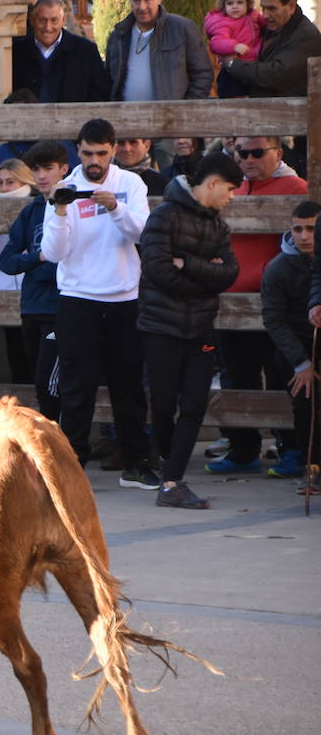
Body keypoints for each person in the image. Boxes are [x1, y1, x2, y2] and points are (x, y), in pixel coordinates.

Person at [40, 118, 157, 489]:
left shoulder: (130, 183)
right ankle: (73, 469)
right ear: (78, 150)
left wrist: (115, 208)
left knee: (129, 389)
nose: (94, 161)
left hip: (125, 299)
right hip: (78, 300)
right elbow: (53, 253)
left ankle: (136, 463)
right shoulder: (65, 188)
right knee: (77, 389)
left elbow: (145, 233)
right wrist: (60, 211)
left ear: (113, 150)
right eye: (88, 153)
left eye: (102, 153)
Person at [137, 152, 243, 509]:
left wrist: (189, 264)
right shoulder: (163, 216)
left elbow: (229, 274)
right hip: (160, 328)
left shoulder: (219, 227)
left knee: (195, 404)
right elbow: (158, 271)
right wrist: (205, 279)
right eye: (230, 189)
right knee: (163, 405)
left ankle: (172, 482)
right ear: (212, 183)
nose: (231, 197)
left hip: (201, 332)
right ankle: (169, 463)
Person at [209, 135, 308, 474]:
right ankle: (242, 449)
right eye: (242, 152)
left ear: (277, 153)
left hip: (276, 305)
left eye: (257, 152)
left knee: (282, 376)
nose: (248, 159)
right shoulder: (231, 187)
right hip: (229, 302)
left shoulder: (297, 188)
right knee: (236, 376)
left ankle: (292, 448)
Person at [0, 140, 68, 421]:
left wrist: (38, 261)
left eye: (48, 168)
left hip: (61, 309)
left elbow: (67, 262)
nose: (41, 176)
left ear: (64, 170)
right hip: (31, 307)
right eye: (36, 169)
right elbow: (7, 261)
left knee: (49, 383)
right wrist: (39, 257)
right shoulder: (30, 212)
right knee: (38, 382)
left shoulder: (74, 208)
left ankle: (56, 438)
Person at [261, 200, 320, 490]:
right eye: (298, 229)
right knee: (306, 406)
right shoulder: (278, 268)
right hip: (296, 347)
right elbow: (274, 320)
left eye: (311, 229)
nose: (304, 236)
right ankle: (312, 467)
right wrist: (302, 363)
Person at [105, 0, 213, 102]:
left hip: (171, 113)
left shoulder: (182, 29)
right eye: (136, 1)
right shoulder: (118, 36)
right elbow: (109, 79)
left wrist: (185, 108)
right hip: (125, 113)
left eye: (147, 0)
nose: (142, 7)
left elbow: (202, 75)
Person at [218, 0, 321, 99]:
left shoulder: (305, 35)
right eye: (263, 8)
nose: (265, 15)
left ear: (291, 6)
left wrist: (232, 63)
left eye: (272, 9)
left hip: (287, 108)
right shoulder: (270, 27)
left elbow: (276, 75)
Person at [0, 159, 37, 383]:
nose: (4, 188)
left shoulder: (36, 208)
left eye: (10, 182)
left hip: (33, 293)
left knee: (36, 355)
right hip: (5, 292)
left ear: (24, 182)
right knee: (15, 354)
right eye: (0, 182)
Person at [11, 0, 111, 103]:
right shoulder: (16, 52)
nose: (48, 27)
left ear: (63, 20)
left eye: (54, 20)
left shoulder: (86, 52)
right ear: (32, 20)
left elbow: (99, 98)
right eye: (42, 20)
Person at [205, 0, 265, 99]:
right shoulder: (222, 22)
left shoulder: (254, 16)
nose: (235, 6)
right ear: (224, 6)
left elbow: (266, 25)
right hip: (232, 71)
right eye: (230, 3)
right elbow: (216, 43)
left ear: (248, 4)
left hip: (254, 67)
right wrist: (234, 46)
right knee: (234, 100)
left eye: (240, 2)